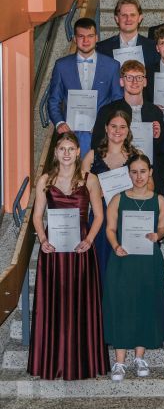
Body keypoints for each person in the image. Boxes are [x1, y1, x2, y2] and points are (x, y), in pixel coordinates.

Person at [27, 132, 108, 380]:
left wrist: (89, 240)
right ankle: (53, 362)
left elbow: (99, 215)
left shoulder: (90, 179)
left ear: (78, 151)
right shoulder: (45, 179)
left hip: (80, 248)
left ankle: (82, 361)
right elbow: (37, 216)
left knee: (81, 303)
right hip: (53, 249)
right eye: (62, 148)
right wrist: (42, 240)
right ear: (55, 152)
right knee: (54, 303)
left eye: (71, 149)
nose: (66, 153)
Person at [103, 154, 164, 382]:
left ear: (150, 172)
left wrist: (157, 235)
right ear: (128, 174)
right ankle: (119, 361)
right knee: (122, 305)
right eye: (134, 172)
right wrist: (115, 245)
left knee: (145, 304)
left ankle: (139, 358)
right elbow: (110, 229)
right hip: (123, 259)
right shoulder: (118, 199)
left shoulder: (159, 200)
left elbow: (163, 227)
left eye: (143, 171)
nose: (139, 176)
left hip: (148, 260)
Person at [47, 17, 123, 154]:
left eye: (90, 36)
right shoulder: (61, 65)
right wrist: (59, 123)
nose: (86, 40)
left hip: (102, 135)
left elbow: (117, 100)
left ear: (97, 38)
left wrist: (106, 123)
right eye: (81, 36)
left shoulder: (112, 66)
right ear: (74, 39)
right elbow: (53, 100)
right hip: (70, 135)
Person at [91, 60, 164, 195]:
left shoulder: (155, 112)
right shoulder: (107, 111)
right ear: (122, 82)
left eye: (139, 77)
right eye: (129, 77)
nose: (134, 82)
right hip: (118, 174)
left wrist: (157, 137)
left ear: (145, 82)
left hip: (148, 176)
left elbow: (160, 152)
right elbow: (96, 145)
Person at [82, 110, 140, 284]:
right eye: (113, 126)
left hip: (127, 217)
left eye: (122, 127)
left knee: (125, 271)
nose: (117, 131)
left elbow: (148, 187)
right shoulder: (92, 156)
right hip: (100, 217)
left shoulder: (137, 156)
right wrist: (95, 191)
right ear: (106, 128)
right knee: (100, 267)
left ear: (128, 130)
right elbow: (79, 189)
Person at [97, 0, 160, 67]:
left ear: (140, 18)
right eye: (124, 15)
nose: (128, 19)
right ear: (117, 18)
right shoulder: (102, 48)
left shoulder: (153, 47)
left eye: (132, 15)